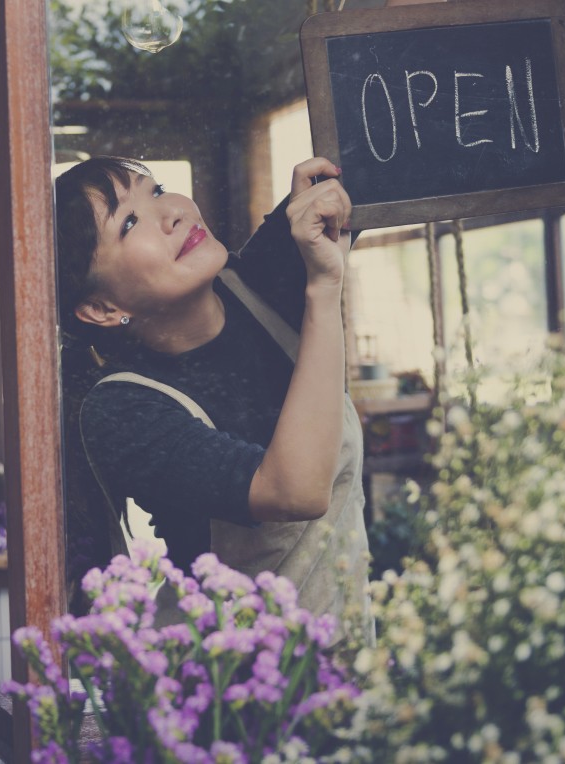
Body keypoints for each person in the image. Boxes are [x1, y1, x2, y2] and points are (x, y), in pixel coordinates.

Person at [57, 155, 373, 648]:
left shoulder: (258, 280)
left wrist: (321, 188)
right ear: (101, 308)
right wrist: (324, 288)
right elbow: (296, 492)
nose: (175, 211)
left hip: (347, 658)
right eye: (131, 221)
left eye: (157, 190)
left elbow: (369, 170)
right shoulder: (121, 409)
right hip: (234, 691)